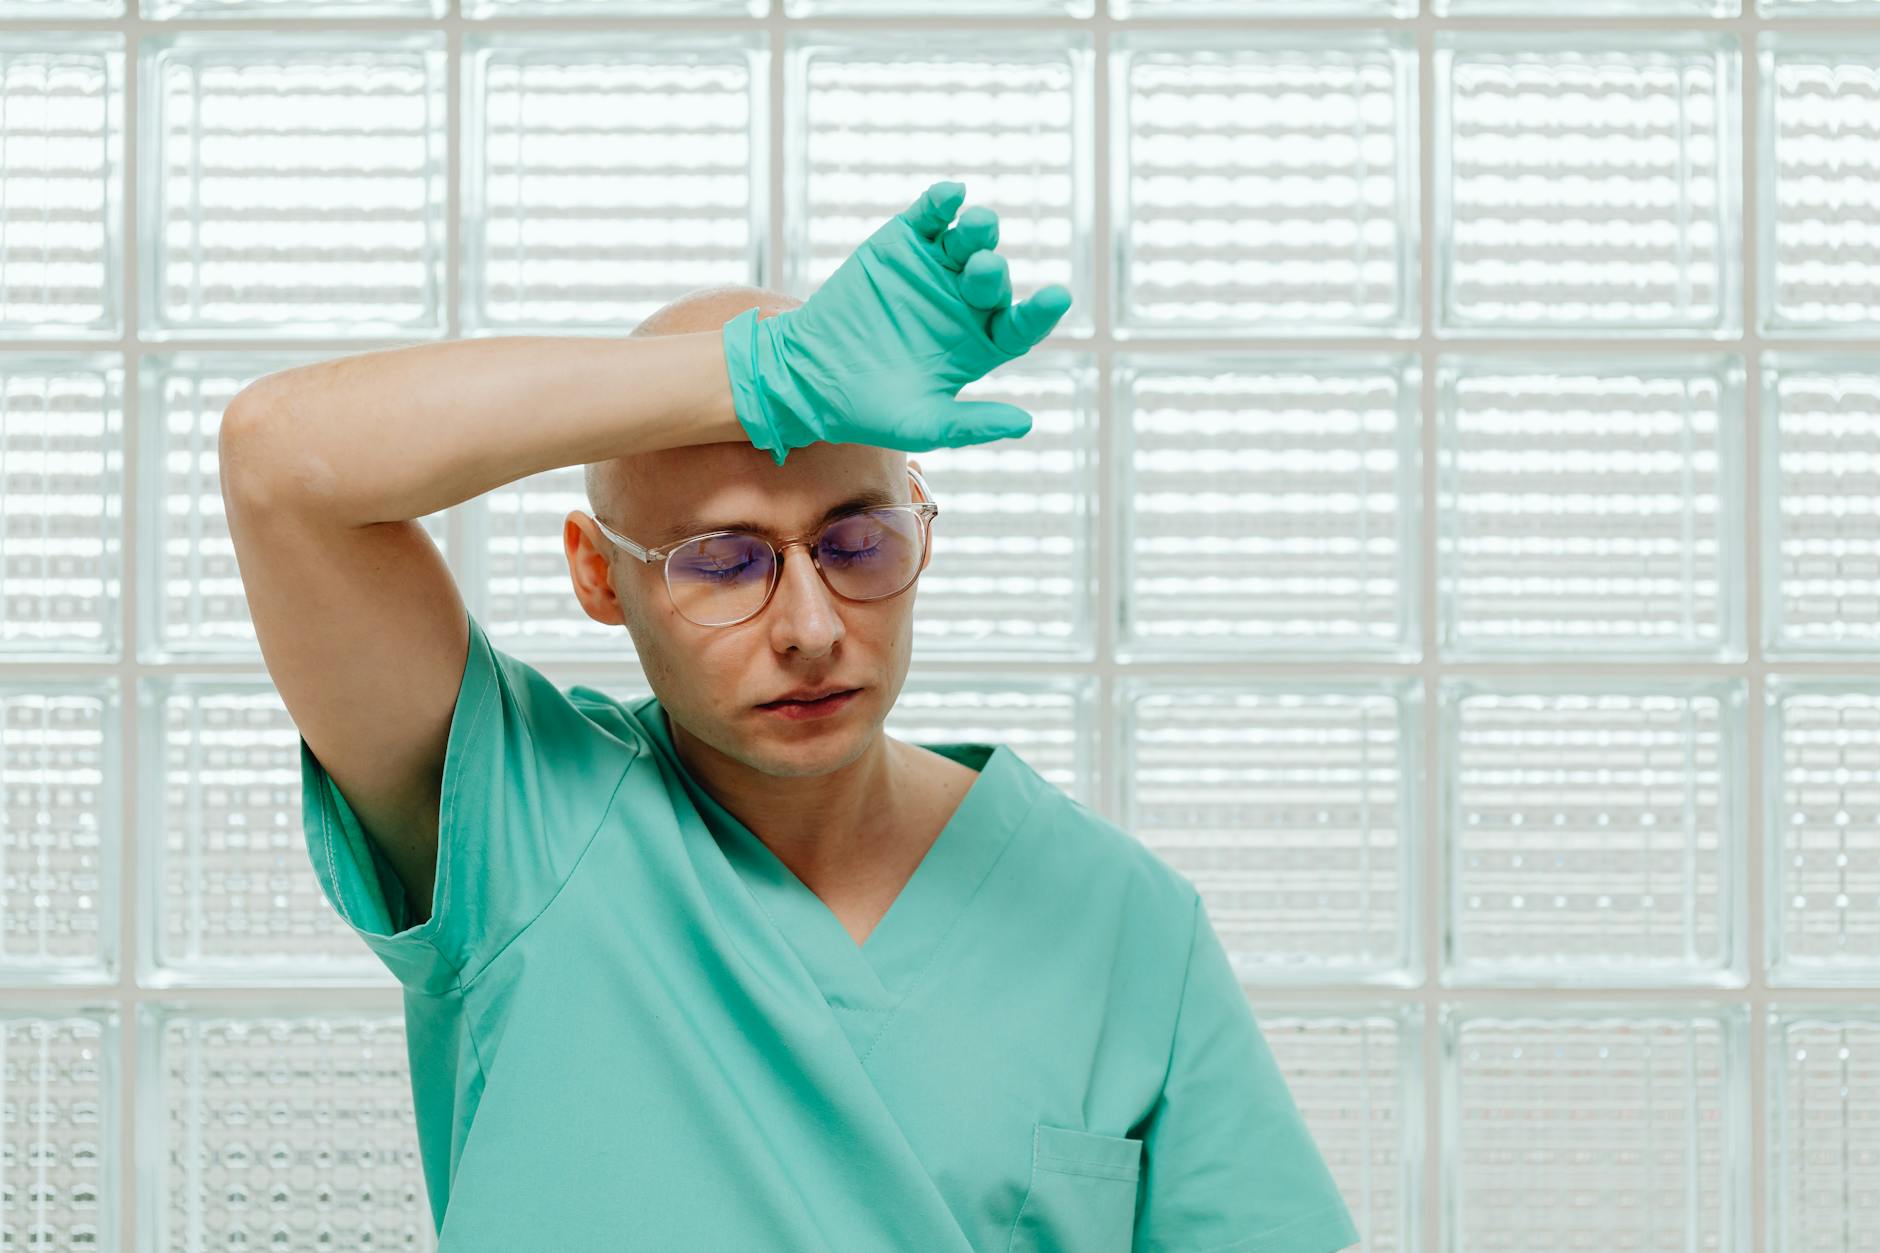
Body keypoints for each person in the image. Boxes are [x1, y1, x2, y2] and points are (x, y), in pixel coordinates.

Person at [220, 180, 1360, 1253]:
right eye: (720, 560)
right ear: (598, 575)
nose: (810, 625)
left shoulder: (1119, 922)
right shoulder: (519, 823)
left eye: (858, 541)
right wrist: (762, 375)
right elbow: (279, 462)